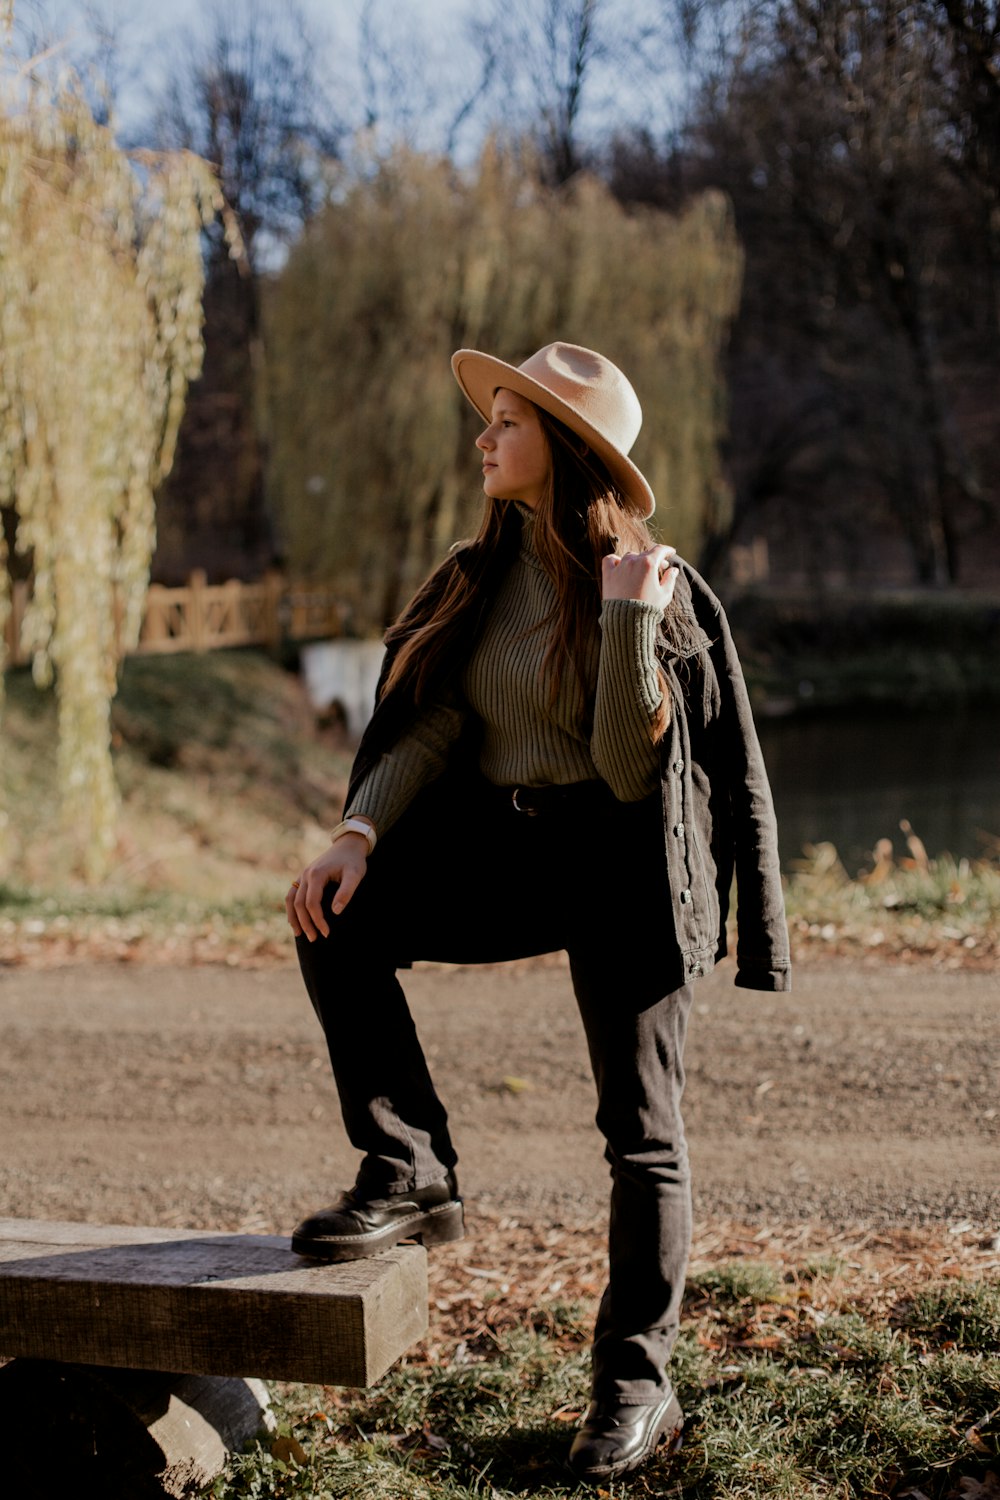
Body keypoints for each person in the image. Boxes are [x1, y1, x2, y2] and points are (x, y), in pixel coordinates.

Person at [286, 341, 790, 1485]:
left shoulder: (650, 583)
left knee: (641, 1135)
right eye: (491, 417)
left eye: (506, 422)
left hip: (618, 863)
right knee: (336, 919)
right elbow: (428, 724)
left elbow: (626, 770)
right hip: (501, 847)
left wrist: (623, 623)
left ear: (562, 450)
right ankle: (410, 1169)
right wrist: (356, 835)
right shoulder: (469, 575)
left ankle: (633, 1383)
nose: (483, 437)